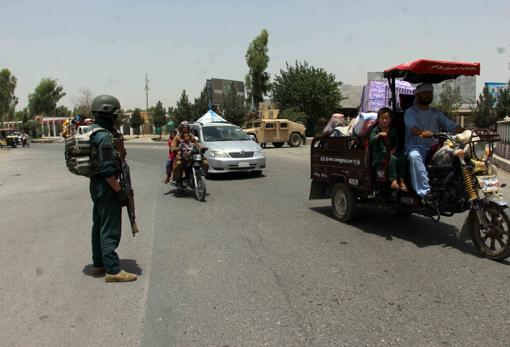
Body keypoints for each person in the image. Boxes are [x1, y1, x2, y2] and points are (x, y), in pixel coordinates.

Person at [88, 95, 137, 282]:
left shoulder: (93, 131)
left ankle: (99, 263)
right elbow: (108, 170)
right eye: (115, 112)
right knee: (110, 227)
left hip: (97, 185)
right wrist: (119, 191)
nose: (116, 116)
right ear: (107, 112)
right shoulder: (104, 137)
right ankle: (113, 270)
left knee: (99, 225)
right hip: (107, 186)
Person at [404, 83, 463, 204]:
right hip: (416, 146)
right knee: (414, 157)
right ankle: (426, 193)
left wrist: (467, 132)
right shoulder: (410, 112)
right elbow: (412, 127)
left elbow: (450, 125)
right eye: (425, 93)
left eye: (430, 93)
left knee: (458, 153)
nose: (428, 95)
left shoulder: (436, 112)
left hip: (434, 147)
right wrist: (421, 132)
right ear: (418, 95)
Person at [369, 107, 408, 191]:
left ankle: (401, 181)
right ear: (378, 119)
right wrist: (379, 135)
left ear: (390, 119)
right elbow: (371, 141)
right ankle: (393, 181)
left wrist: (393, 151)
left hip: (390, 153)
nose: (384, 120)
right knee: (393, 159)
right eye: (382, 118)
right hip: (379, 156)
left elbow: (397, 144)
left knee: (402, 158)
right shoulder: (376, 130)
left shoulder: (393, 130)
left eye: (386, 118)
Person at [171, 121, 208, 187]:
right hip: (181, 156)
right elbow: (172, 147)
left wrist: (202, 148)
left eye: (187, 127)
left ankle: (200, 175)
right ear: (181, 128)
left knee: (205, 162)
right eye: (184, 127)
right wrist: (177, 149)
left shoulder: (191, 136)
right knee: (178, 164)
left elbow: (197, 144)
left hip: (191, 156)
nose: (186, 129)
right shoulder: (177, 137)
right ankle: (178, 179)